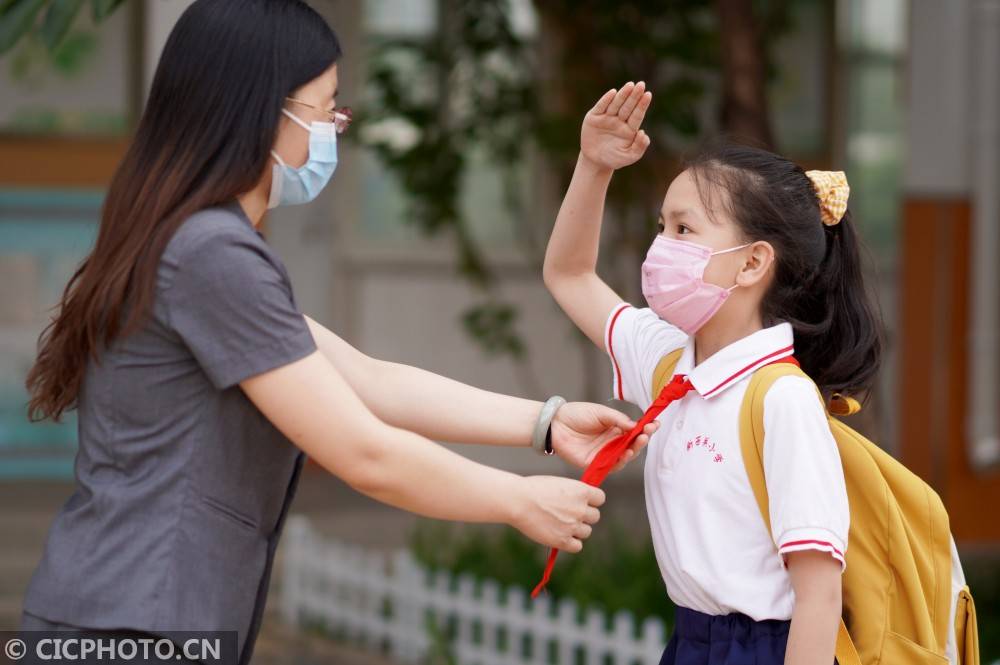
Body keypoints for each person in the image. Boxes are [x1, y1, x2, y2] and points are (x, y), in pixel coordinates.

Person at [17, 4, 658, 663]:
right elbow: (363, 451)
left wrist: (546, 424)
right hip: (135, 628)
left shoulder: (191, 242)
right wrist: (517, 498)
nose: (331, 132)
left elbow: (368, 379)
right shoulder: (211, 255)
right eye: (324, 111)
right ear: (261, 113)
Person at [543, 81, 884, 665]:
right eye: (662, 226)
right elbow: (570, 275)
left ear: (753, 261)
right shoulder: (672, 361)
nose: (661, 247)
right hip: (692, 640)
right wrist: (594, 166)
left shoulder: (782, 400)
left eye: (684, 229)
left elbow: (820, 596)